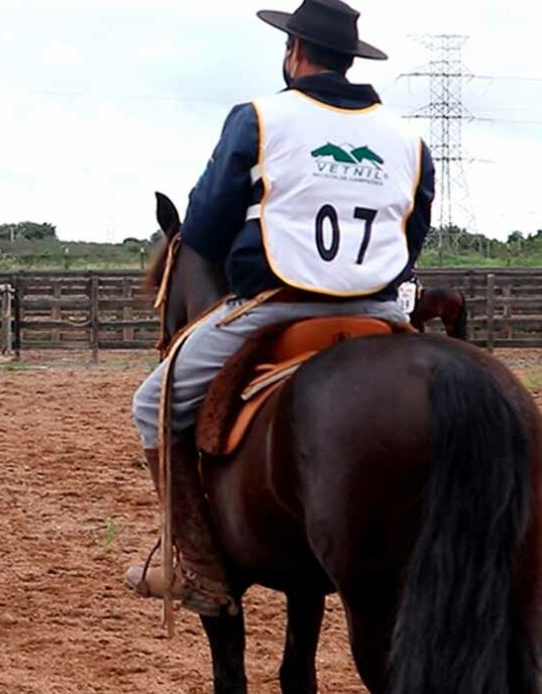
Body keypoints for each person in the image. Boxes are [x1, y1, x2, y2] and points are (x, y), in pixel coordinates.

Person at [125, 0, 435, 617]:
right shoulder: (407, 137)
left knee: (151, 404)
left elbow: (207, 232)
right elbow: (412, 234)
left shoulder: (260, 118)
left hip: (277, 307)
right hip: (381, 311)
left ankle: (197, 565)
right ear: (349, 62)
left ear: (293, 53)